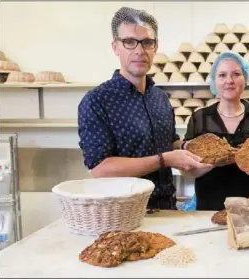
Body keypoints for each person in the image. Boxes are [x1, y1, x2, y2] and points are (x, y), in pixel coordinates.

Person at [77, 7, 210, 210]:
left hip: (166, 209)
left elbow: (170, 142)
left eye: (147, 42)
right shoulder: (97, 100)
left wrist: (189, 149)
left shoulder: (160, 98)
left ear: (155, 47)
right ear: (115, 47)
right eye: (129, 42)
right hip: (122, 215)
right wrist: (163, 160)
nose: (139, 50)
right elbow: (100, 170)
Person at [181, 51, 249, 211]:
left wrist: (247, 161)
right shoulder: (200, 118)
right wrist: (216, 160)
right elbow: (189, 171)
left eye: (236, 74)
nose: (229, 81)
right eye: (222, 75)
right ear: (214, 81)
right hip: (210, 205)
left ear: (245, 78)